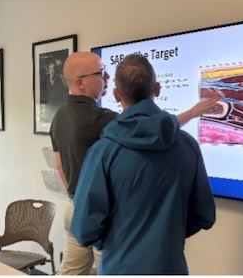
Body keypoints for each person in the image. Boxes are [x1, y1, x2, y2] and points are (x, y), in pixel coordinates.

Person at [49, 51, 218, 275]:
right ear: (157, 89)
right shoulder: (189, 146)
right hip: (170, 266)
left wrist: (114, 245)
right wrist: (165, 238)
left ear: (117, 95)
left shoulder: (102, 151)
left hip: (119, 266)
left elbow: (85, 228)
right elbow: (204, 215)